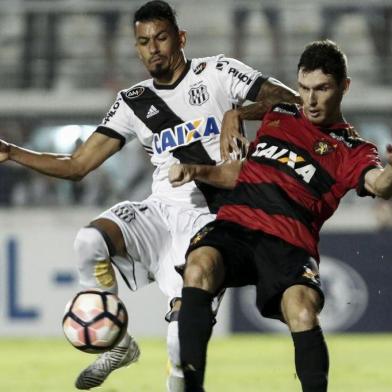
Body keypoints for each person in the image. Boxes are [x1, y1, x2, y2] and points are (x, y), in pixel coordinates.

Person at [0, 1, 300, 391]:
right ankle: (118, 342)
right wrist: (11, 152)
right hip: (159, 213)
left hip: (211, 225)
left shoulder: (219, 73)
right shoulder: (133, 101)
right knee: (89, 240)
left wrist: (239, 114)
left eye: (161, 38)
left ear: (181, 39)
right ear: (136, 47)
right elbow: (77, 165)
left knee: (180, 351)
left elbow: (294, 101)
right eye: (143, 42)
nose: (153, 48)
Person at [169, 39, 392, 391]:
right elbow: (243, 171)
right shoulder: (282, 113)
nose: (311, 100)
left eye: (322, 89)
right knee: (199, 266)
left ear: (344, 87)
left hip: (289, 242)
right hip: (237, 225)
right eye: (304, 88)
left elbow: (380, 185)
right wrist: (197, 170)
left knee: (302, 310)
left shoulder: (352, 149)